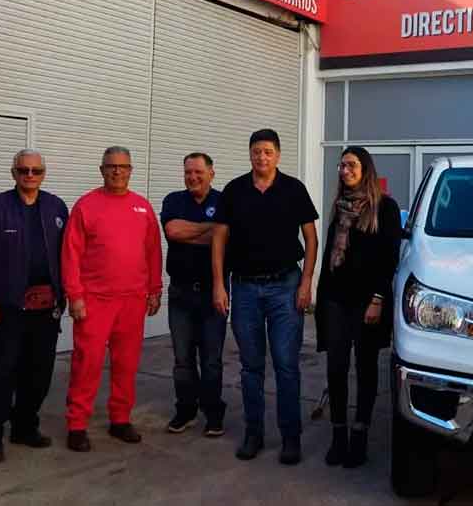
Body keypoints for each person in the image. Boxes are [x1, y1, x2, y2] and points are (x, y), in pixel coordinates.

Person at [212, 128, 318, 465]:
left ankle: (290, 438)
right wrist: (219, 283)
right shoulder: (234, 191)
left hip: (285, 287)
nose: (262, 157)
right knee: (251, 366)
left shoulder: (293, 189)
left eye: (268, 151)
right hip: (244, 289)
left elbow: (311, 239)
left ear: (278, 155)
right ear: (250, 154)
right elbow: (219, 239)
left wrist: (306, 283)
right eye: (257, 151)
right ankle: (253, 433)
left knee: (287, 366)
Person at [0, 149, 69, 463]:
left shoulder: (56, 207)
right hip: (6, 307)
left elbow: (68, 255)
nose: (29, 176)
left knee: (38, 373)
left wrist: (66, 295)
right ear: (13, 173)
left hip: (46, 308)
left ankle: (24, 427)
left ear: (44, 173)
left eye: (36, 171)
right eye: (23, 170)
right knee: (0, 373)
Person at [61, 146, 163, 452]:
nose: (117, 171)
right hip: (95, 301)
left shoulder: (142, 208)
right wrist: (75, 295)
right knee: (87, 363)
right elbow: (70, 254)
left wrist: (154, 289)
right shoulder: (86, 206)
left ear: (131, 170)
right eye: (111, 166)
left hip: (132, 300)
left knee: (126, 364)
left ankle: (120, 419)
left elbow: (153, 252)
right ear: (101, 169)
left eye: (123, 166)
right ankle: (77, 424)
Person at [316, 146, 401, 468]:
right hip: (336, 299)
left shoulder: (385, 208)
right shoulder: (340, 207)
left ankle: (360, 436)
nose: (344, 170)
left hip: (368, 302)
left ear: (365, 169)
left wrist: (378, 299)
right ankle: (339, 436)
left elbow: (389, 257)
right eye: (341, 165)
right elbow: (330, 257)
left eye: (351, 165)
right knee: (336, 368)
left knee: (365, 369)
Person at [161, 153, 227, 437]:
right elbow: (172, 231)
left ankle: (213, 413)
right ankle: (186, 410)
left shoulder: (224, 201)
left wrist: (193, 232)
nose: (193, 177)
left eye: (199, 172)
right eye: (188, 172)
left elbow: (227, 238)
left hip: (214, 293)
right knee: (182, 359)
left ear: (211, 173)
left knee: (211, 358)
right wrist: (212, 230)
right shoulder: (173, 200)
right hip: (180, 294)